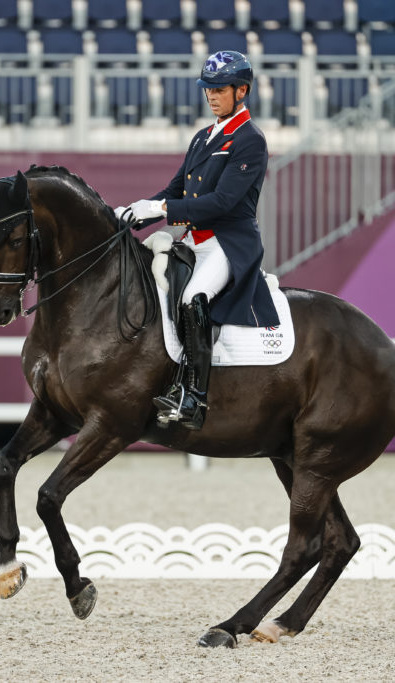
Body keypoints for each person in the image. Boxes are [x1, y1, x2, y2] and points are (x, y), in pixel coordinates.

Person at [117, 50, 280, 431]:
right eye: (208, 89)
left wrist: (160, 208)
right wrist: (134, 212)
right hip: (193, 240)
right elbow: (175, 190)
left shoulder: (249, 140)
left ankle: (194, 397)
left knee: (193, 298)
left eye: (219, 89)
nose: (211, 96)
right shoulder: (203, 137)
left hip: (228, 242)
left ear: (242, 91)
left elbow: (222, 202)